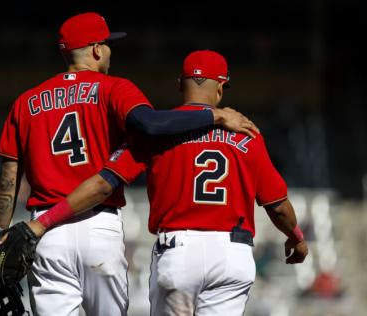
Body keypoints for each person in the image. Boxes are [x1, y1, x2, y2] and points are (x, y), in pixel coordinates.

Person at [0, 11, 258, 316]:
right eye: (107, 45)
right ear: (95, 50)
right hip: (97, 225)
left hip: (46, 232)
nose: (109, 51)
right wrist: (217, 114)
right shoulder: (113, 88)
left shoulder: (26, 102)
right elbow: (150, 124)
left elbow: (7, 179)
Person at [28, 50, 308, 316]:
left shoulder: (156, 134)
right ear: (221, 88)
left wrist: (44, 221)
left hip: (178, 252)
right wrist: (296, 237)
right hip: (231, 254)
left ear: (179, 85)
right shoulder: (247, 135)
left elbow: (103, 185)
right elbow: (278, 206)